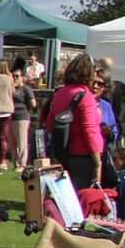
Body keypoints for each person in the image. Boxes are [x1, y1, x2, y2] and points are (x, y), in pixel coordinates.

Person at [45, 53, 105, 188]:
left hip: (63, 153)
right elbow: (89, 130)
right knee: (83, 196)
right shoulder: (86, 96)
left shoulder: (60, 93)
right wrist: (97, 162)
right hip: (83, 155)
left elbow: (49, 124)